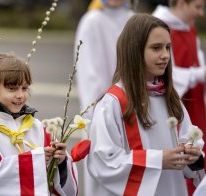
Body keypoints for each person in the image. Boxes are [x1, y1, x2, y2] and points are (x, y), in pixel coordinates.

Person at [86, 14, 205, 196]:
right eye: (156, 48)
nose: (165, 55)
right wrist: (158, 160)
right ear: (134, 51)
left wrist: (193, 157)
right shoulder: (113, 103)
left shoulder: (171, 99)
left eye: (167, 47)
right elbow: (103, 162)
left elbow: (189, 144)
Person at [0, 53, 78, 195]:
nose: (20, 95)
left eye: (24, 88)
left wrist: (60, 162)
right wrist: (33, 160)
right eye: (12, 88)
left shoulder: (38, 128)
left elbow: (52, 183)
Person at [74, 1, 133, 194]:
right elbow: (89, 76)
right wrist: (96, 116)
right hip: (104, 109)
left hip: (132, 109)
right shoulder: (92, 21)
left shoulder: (132, 19)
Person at [152, 0, 206, 194]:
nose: (200, 14)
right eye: (198, 7)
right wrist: (200, 74)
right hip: (176, 107)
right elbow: (166, 75)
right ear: (182, 3)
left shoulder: (189, 29)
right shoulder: (159, 28)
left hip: (196, 106)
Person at [74, 0, 134, 119]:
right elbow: (87, 68)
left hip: (129, 103)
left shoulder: (132, 19)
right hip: (101, 101)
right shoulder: (91, 21)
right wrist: (96, 104)